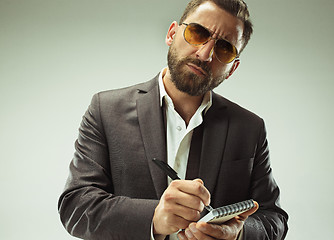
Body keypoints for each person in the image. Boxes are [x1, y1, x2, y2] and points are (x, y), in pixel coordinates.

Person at [58, 0, 288, 239]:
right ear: (171, 34)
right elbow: (75, 206)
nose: (204, 54)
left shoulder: (250, 128)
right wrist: (154, 219)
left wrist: (238, 235)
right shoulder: (105, 110)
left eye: (224, 49)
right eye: (197, 33)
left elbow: (275, 220)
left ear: (232, 69)